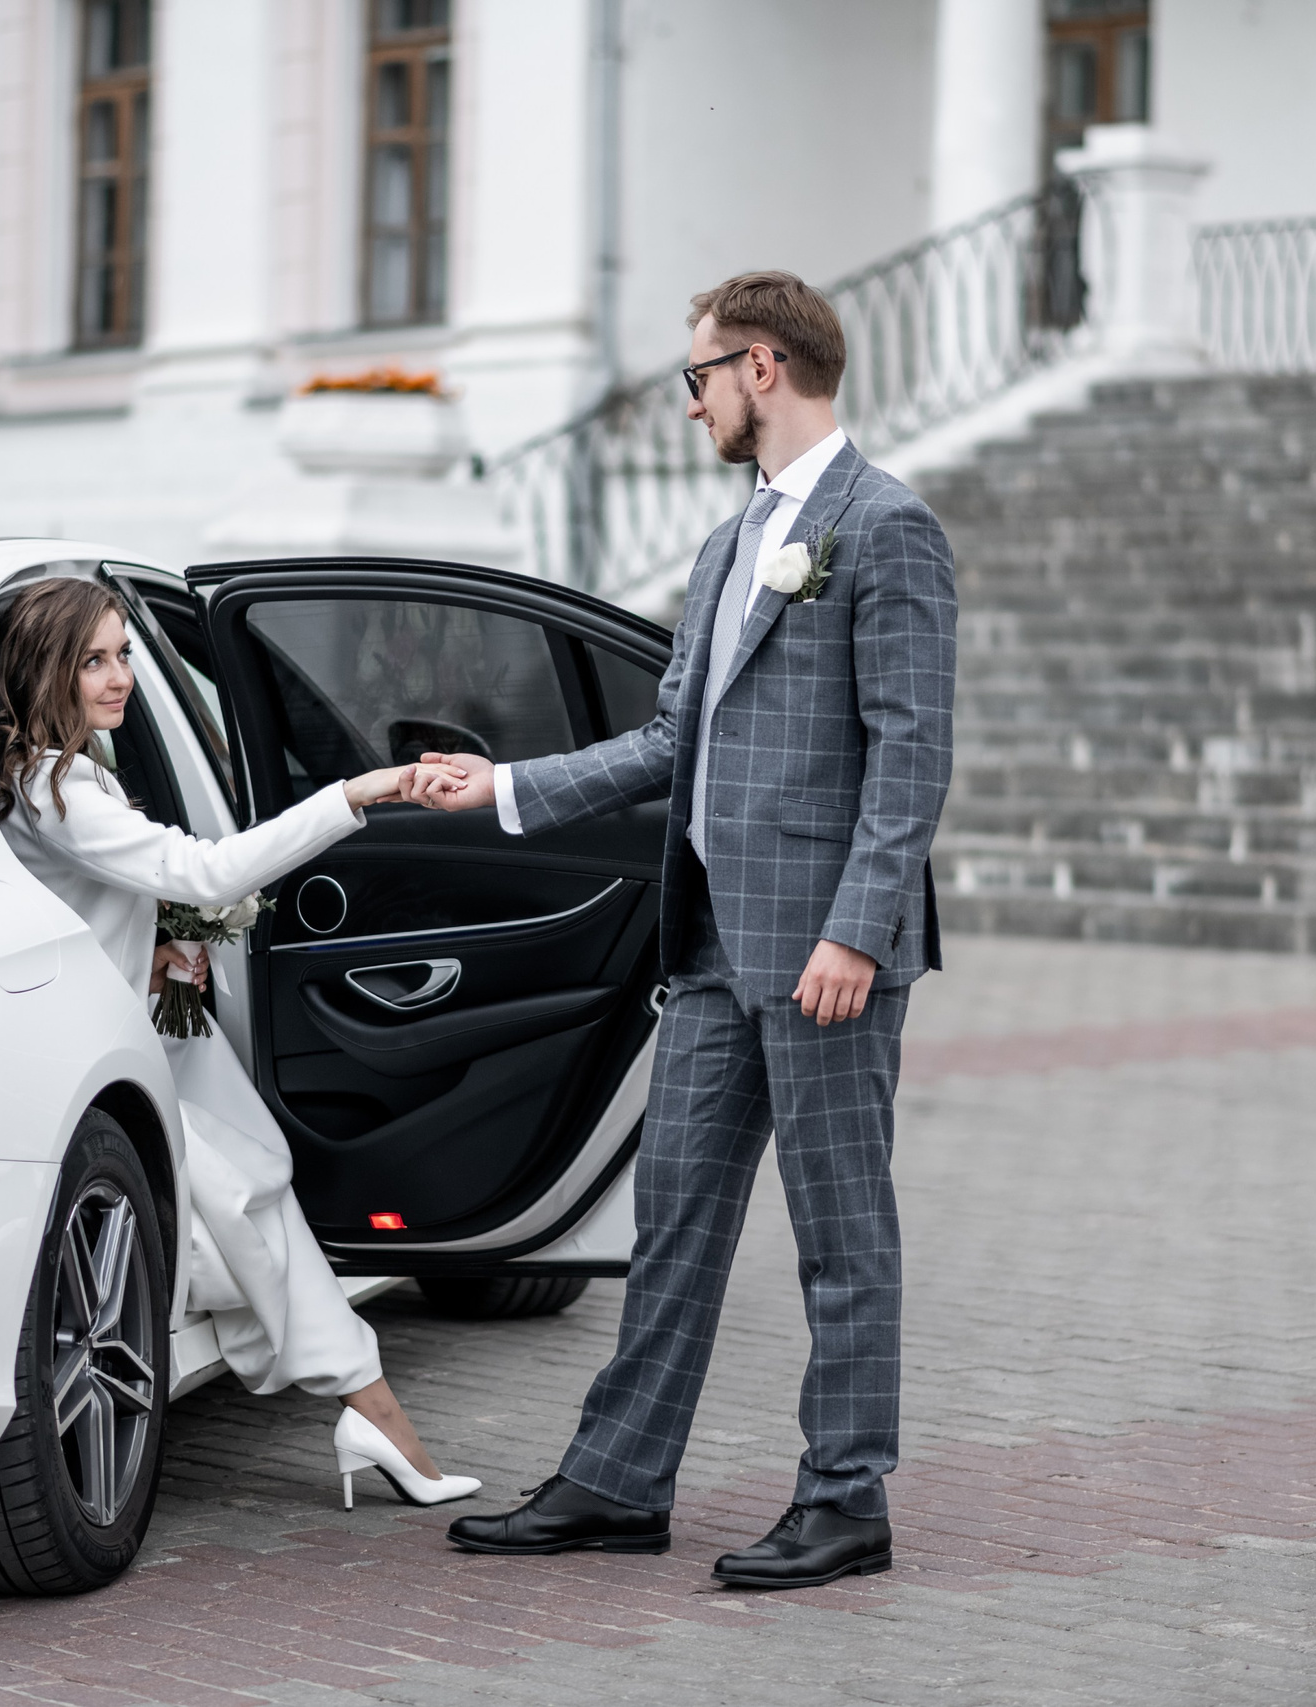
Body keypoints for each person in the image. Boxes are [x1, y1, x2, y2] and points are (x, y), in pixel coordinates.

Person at [411, 271, 956, 1589]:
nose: (690, 401)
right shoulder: (728, 545)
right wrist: (507, 788)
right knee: (673, 1223)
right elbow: (671, 742)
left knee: (839, 1235)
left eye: (698, 375)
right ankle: (617, 1480)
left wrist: (857, 931)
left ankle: (846, 1498)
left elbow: (911, 754)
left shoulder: (886, 527)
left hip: (824, 954)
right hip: (712, 945)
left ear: (762, 366)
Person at [0, 576, 479, 1511]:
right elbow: (203, 871)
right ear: (44, 671)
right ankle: (376, 1416)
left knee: (259, 1201)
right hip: (107, 1064)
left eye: (124, 654)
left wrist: (153, 953)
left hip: (132, 1038)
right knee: (253, 1205)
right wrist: (359, 792)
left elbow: (64, 917)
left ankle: (374, 1412)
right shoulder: (59, 787)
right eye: (93, 661)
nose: (120, 678)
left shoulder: (48, 778)